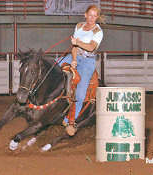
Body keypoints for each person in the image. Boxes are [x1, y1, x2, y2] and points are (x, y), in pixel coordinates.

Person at [57, 5, 104, 136]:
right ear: (85, 15)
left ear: (97, 17)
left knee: (81, 95)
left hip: (88, 62)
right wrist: (73, 59)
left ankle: (70, 121)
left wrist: (77, 44)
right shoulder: (79, 26)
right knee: (54, 66)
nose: (92, 18)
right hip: (76, 56)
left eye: (95, 16)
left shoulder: (98, 31)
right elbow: (73, 46)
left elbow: (90, 47)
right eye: (90, 15)